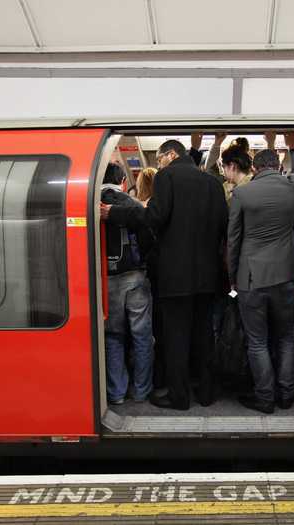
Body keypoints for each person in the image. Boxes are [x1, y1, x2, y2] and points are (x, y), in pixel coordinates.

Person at [101, 140, 228, 410]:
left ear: (170, 155)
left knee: (176, 337)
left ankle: (179, 396)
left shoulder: (167, 177)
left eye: (159, 159)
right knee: (205, 334)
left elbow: (154, 217)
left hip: (176, 275)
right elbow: (222, 226)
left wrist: (114, 212)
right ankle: (206, 393)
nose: (159, 164)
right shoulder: (213, 184)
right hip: (209, 274)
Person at [228, 149, 294, 413]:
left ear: (255, 167)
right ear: (277, 166)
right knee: (286, 336)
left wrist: (232, 276)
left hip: (252, 277)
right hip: (286, 273)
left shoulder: (242, 193)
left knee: (257, 340)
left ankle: (265, 398)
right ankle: (286, 395)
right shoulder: (293, 188)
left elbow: (234, 239)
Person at [101, 163, 154, 405]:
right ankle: (142, 390)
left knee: (113, 336)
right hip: (135, 277)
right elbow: (147, 239)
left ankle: (116, 392)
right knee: (142, 335)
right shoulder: (131, 204)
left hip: (105, 280)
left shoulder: (88, 203)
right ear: (123, 180)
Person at [221, 137, 253, 203]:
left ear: (232, 166)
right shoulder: (254, 182)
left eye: (224, 166)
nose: (223, 171)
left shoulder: (240, 191)